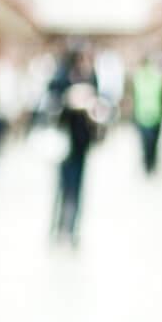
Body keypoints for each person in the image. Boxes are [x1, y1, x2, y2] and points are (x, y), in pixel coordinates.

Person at [52, 58, 106, 247]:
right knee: (64, 188)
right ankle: (58, 228)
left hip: (80, 145)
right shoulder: (61, 78)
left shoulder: (91, 79)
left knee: (76, 189)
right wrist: (70, 100)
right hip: (65, 145)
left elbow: (98, 111)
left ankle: (71, 229)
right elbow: (52, 105)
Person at [128, 53, 162, 175]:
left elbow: (132, 97)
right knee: (154, 143)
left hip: (142, 115)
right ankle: (151, 164)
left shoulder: (137, 77)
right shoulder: (159, 76)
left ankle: (148, 165)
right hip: (156, 114)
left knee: (146, 143)